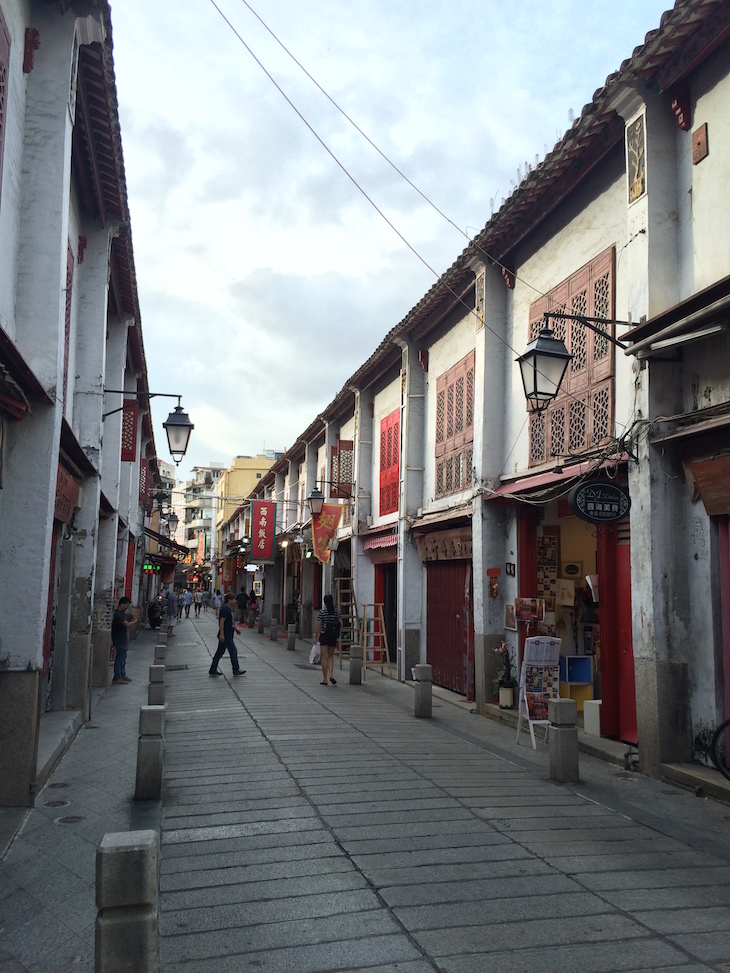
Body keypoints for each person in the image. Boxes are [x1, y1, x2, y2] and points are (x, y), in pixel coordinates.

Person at [209, 592, 245, 677]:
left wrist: (235, 629)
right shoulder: (225, 609)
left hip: (228, 634)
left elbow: (230, 622)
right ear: (229, 600)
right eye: (234, 599)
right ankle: (236, 669)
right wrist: (222, 634)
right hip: (226, 635)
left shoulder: (228, 609)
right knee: (233, 651)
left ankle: (213, 669)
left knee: (219, 652)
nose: (235, 601)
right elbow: (221, 621)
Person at [314, 593, 341, 686]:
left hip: (324, 635)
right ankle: (331, 674)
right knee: (331, 656)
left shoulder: (322, 612)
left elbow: (318, 625)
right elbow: (340, 623)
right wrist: (337, 635)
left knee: (324, 657)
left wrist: (316, 636)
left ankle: (325, 678)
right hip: (333, 636)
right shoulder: (337, 612)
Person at [112, 597, 139, 683]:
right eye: (126, 605)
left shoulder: (122, 614)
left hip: (123, 639)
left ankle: (122, 674)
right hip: (119, 639)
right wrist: (134, 621)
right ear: (122, 604)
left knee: (123, 659)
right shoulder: (118, 614)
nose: (127, 607)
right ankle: (117, 677)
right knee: (119, 659)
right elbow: (126, 624)